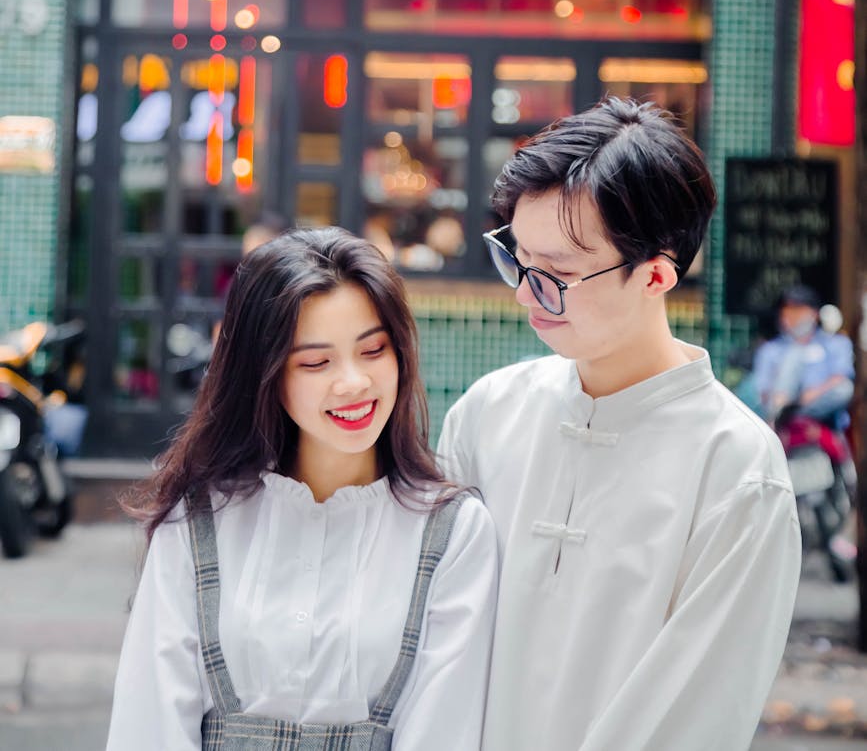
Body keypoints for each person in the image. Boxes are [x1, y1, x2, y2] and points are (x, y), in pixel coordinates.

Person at [437, 97, 801, 751]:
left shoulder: (737, 472)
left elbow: (695, 712)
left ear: (656, 273)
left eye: (556, 276)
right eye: (516, 260)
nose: (524, 294)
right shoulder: (486, 415)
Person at [107, 226, 497, 751]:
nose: (354, 382)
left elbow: (444, 730)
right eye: (316, 362)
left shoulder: (452, 531)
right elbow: (149, 725)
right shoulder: (201, 516)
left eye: (374, 350)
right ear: (264, 374)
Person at [752, 283, 854, 426]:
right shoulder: (770, 349)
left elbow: (840, 379)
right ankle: (785, 418)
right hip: (779, 415)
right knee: (794, 352)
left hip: (822, 418)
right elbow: (762, 393)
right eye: (786, 311)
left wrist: (807, 397)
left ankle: (792, 416)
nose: (790, 317)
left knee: (844, 389)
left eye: (797, 310)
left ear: (815, 314)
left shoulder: (836, 343)